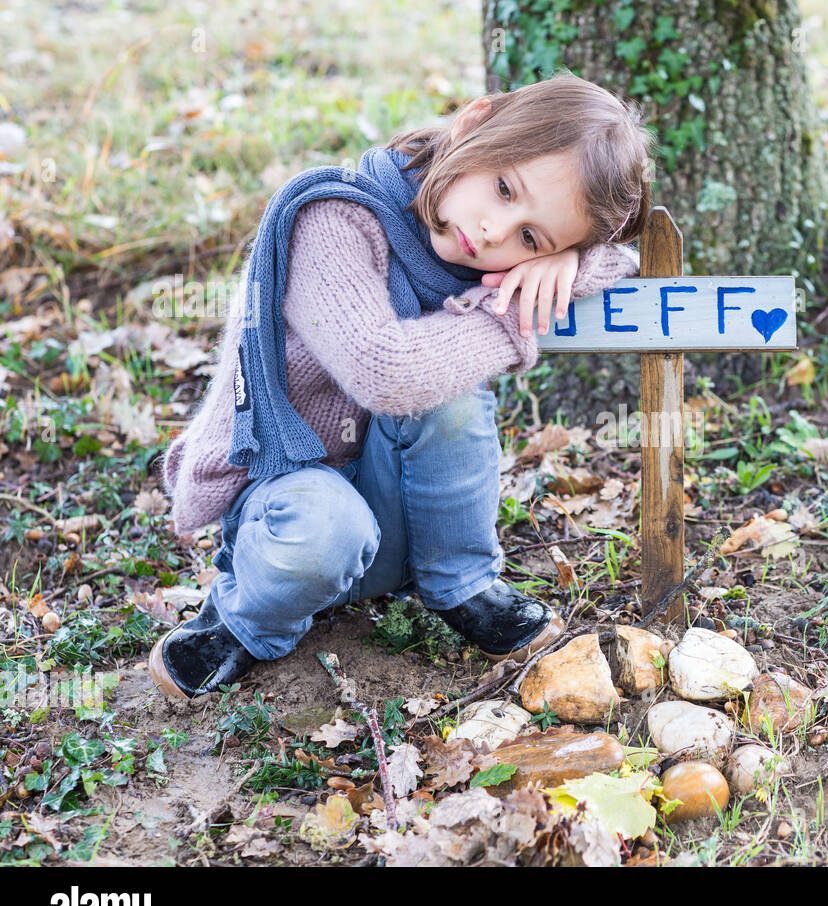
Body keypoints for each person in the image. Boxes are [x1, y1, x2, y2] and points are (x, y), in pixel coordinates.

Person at [151, 71, 656, 699]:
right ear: (472, 125)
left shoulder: (483, 252)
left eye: (530, 236)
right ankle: (240, 621)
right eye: (503, 188)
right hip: (289, 510)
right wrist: (511, 323)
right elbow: (387, 372)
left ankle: (462, 585)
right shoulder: (334, 218)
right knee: (331, 521)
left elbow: (622, 258)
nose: (496, 231)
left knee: (454, 396)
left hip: (397, 522)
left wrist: (572, 259)